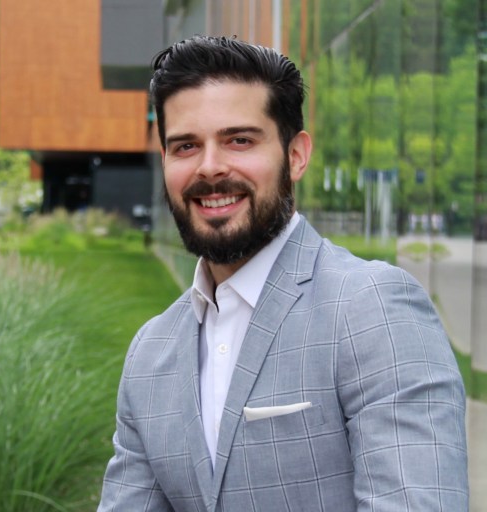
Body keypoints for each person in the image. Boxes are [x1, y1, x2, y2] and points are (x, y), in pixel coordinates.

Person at [98, 35, 468, 511]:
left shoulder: (373, 309)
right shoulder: (150, 353)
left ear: (295, 156)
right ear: (165, 161)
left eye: (239, 140)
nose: (210, 168)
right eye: (186, 146)